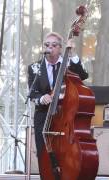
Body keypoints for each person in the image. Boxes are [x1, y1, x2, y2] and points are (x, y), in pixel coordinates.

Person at [27, 32, 88, 173]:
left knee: (65, 153)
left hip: (64, 116)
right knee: (43, 154)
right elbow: (32, 93)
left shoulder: (69, 63)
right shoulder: (34, 68)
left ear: (61, 48)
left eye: (54, 45)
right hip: (43, 117)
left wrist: (72, 53)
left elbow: (84, 75)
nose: (50, 48)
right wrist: (42, 98)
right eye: (47, 45)